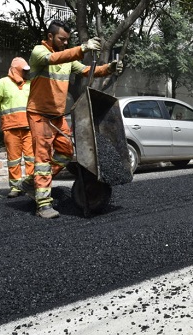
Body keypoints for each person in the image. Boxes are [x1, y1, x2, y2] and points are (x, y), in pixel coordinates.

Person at [21, 20, 122, 219]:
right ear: (50, 37)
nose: (65, 43)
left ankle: (33, 182)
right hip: (39, 114)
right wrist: (82, 48)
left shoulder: (67, 59)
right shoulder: (39, 53)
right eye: (62, 39)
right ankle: (43, 204)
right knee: (42, 158)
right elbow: (54, 58)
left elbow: (87, 71)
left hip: (57, 116)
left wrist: (109, 68)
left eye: (68, 40)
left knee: (66, 152)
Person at [0, 57, 35, 198]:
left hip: (29, 127)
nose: (26, 73)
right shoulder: (2, 83)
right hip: (11, 127)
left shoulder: (30, 84)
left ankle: (31, 184)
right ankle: (15, 187)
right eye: (23, 71)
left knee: (31, 158)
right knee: (14, 159)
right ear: (15, 70)